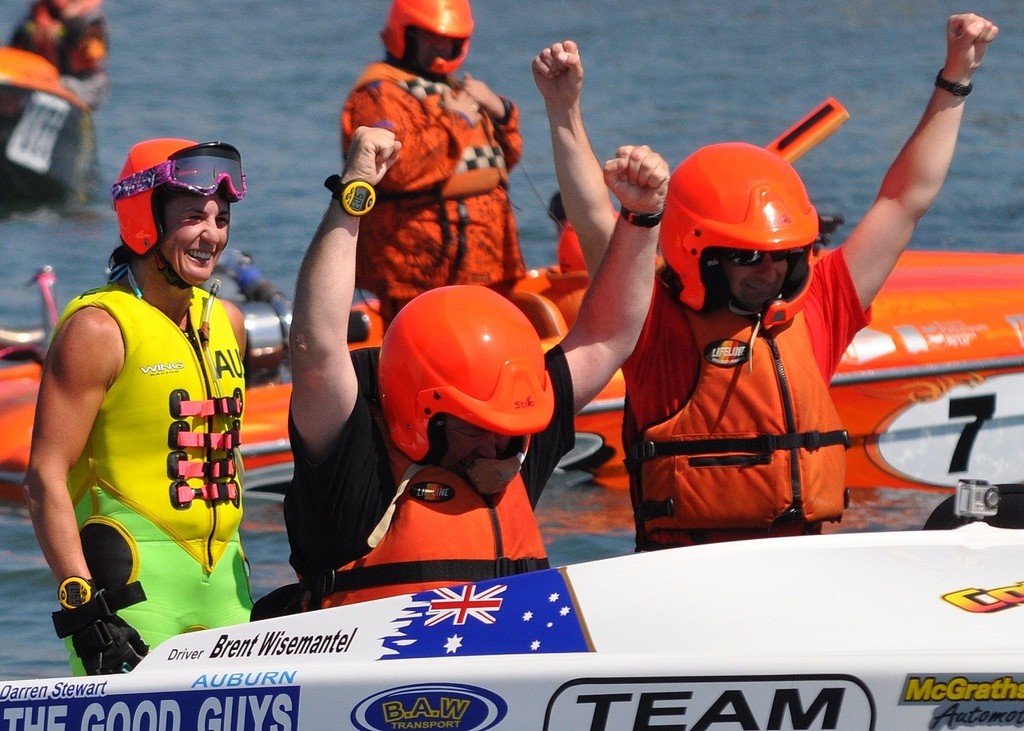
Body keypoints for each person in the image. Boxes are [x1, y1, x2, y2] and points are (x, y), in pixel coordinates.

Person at [533, 14, 999, 549]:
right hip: (686, 577)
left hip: (801, 570)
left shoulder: (822, 305)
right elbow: (594, 217)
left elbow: (903, 200)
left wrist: (957, 77)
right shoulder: (653, 327)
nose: (769, 270)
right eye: (749, 257)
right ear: (700, 257)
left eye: (783, 256)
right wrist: (563, 107)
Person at [257, 124, 666, 615]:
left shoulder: (517, 435)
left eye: (511, 433)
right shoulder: (353, 453)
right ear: (424, 413)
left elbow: (608, 335)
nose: (501, 448)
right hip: (376, 683)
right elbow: (316, 345)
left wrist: (643, 217)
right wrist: (355, 191)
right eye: (479, 429)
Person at [22, 137, 253, 675]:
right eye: (194, 216)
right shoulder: (98, 329)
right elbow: (44, 476)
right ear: (145, 220)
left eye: (221, 219)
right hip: (130, 597)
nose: (211, 235)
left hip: (229, 590)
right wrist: (82, 606)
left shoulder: (229, 324)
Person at [340, 0, 525, 325]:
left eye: (447, 40)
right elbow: (400, 169)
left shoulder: (456, 89)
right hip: (417, 275)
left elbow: (499, 163)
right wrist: (456, 122)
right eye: (429, 37)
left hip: (489, 268)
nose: (439, 48)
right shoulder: (379, 95)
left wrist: (502, 112)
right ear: (406, 35)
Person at [9, 0, 110, 110]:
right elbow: (14, 49)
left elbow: (96, 52)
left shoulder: (89, 17)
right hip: (41, 81)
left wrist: (69, 25)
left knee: (63, 87)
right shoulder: (36, 16)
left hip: (83, 82)